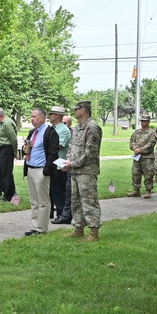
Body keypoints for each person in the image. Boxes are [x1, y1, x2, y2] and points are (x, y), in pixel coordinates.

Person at [62, 100, 103, 242]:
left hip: (87, 171)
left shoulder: (92, 128)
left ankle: (93, 232)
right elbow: (70, 148)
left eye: (76, 109)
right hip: (75, 170)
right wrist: (67, 162)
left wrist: (72, 164)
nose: (74, 111)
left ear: (83, 110)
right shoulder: (77, 128)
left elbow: (90, 153)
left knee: (89, 201)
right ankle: (78, 228)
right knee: (76, 201)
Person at [23, 107, 60, 236]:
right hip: (30, 168)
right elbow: (29, 149)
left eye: (34, 117)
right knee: (34, 200)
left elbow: (53, 153)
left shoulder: (50, 132)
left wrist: (46, 171)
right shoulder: (32, 132)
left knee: (43, 201)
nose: (32, 119)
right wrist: (25, 149)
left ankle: (42, 228)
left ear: (43, 118)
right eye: (31, 116)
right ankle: (35, 226)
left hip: (41, 170)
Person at [47, 107, 71, 223]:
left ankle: (62, 214)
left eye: (51, 114)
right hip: (52, 165)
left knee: (60, 192)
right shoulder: (52, 128)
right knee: (51, 191)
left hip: (60, 165)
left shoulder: (63, 130)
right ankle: (50, 212)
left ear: (57, 115)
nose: (49, 116)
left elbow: (57, 146)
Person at [128, 114, 157, 198]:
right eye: (142, 121)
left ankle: (148, 190)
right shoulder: (137, 132)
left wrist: (141, 149)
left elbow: (151, 144)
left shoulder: (152, 133)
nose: (143, 123)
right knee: (135, 173)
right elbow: (132, 141)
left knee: (148, 174)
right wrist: (135, 148)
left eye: (145, 121)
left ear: (148, 122)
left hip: (147, 157)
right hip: (137, 157)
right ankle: (136, 190)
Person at [0, 107, 18, 202]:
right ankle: (8, 194)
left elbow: (13, 138)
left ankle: (9, 195)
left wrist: (15, 152)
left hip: (6, 150)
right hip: (3, 150)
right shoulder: (4, 122)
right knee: (3, 172)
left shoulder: (7, 123)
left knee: (6, 173)